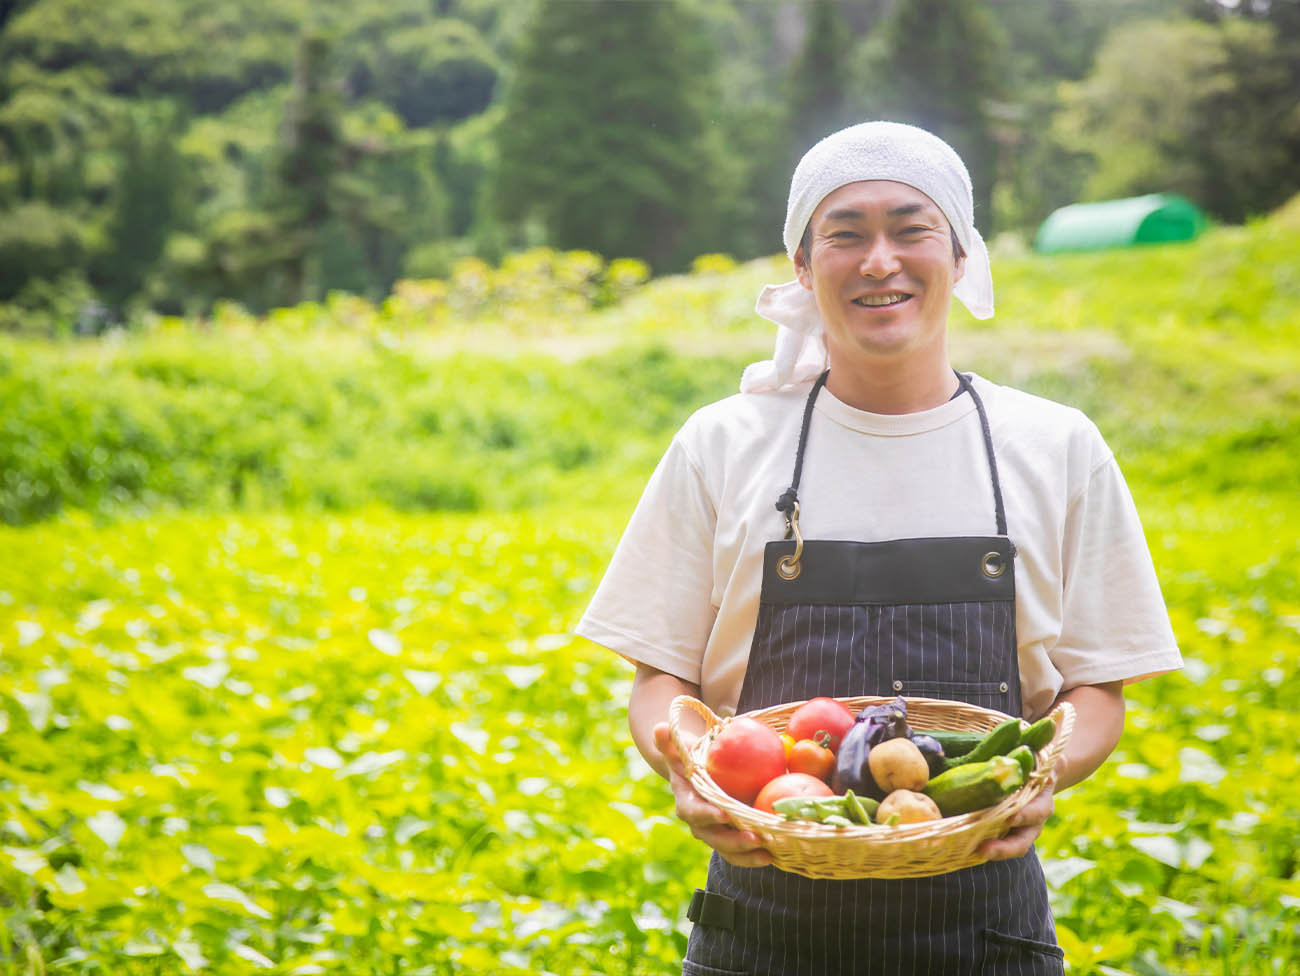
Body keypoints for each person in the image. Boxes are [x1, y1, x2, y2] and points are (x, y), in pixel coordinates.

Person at [575, 121, 1182, 974]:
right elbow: (660, 682)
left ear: (962, 253)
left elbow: (1098, 690)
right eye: (845, 234)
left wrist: (1036, 780)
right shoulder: (724, 442)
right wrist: (687, 775)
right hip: (762, 930)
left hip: (986, 934)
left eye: (911, 228)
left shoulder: (1055, 446)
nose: (879, 260)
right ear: (801, 265)